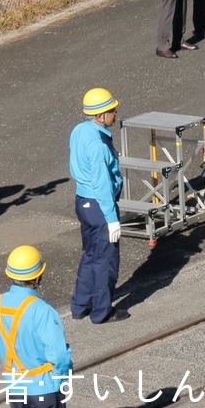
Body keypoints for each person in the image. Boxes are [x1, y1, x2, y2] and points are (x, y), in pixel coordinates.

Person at [0, 245, 73, 408]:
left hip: (16, 388)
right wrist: (59, 377)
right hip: (45, 388)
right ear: (37, 277)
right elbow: (59, 355)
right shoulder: (42, 310)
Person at [69, 88, 127, 323]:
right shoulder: (99, 146)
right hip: (100, 206)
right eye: (112, 110)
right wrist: (112, 219)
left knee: (90, 255)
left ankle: (80, 305)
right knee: (106, 261)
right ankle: (102, 311)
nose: (115, 113)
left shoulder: (80, 130)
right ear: (101, 115)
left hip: (83, 201)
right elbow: (102, 183)